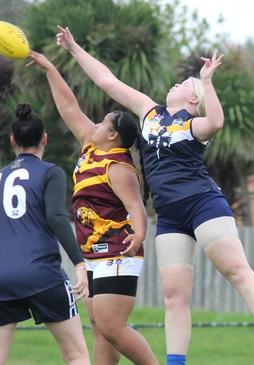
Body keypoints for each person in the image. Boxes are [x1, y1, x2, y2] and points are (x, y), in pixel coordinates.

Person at [55, 25, 254, 365]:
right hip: (169, 216)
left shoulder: (193, 125)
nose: (175, 84)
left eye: (183, 84)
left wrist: (207, 81)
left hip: (203, 204)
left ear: (192, 99)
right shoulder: (150, 113)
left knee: (236, 269)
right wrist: (74, 49)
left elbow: (217, 122)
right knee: (174, 297)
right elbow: (108, 82)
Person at [28, 51, 158, 365]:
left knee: (113, 326)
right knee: (101, 329)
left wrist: (139, 234)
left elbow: (135, 205)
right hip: (93, 254)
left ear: (113, 135)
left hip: (117, 251)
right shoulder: (90, 146)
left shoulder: (118, 166)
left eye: (102, 123)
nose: (95, 124)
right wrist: (50, 69)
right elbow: (69, 106)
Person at [0, 104, 90, 365]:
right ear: (45, 139)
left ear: (12, 140)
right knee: (76, 356)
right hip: (41, 275)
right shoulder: (51, 173)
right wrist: (79, 263)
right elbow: (56, 217)